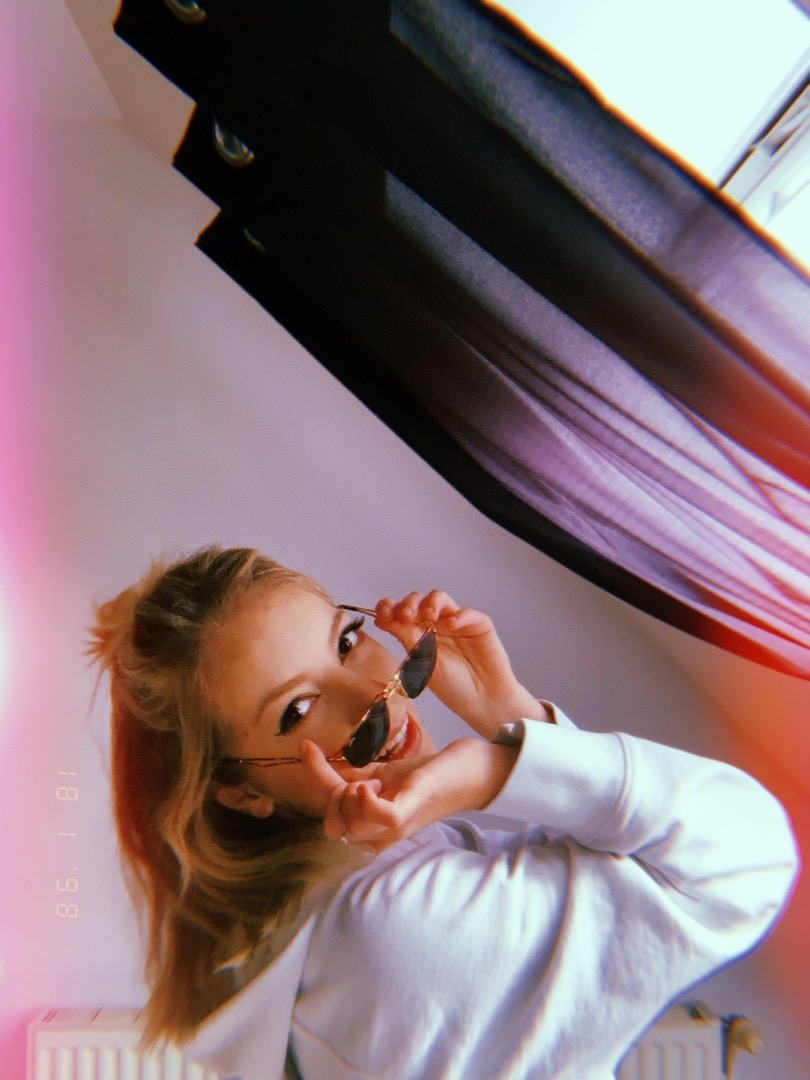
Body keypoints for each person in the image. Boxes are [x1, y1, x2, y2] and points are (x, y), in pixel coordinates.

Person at [89, 545, 797, 1080]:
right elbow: (746, 860)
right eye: (297, 710)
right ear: (242, 791)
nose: (371, 695)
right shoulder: (401, 923)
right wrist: (492, 769)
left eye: (346, 642)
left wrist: (514, 717)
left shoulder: (322, 925)